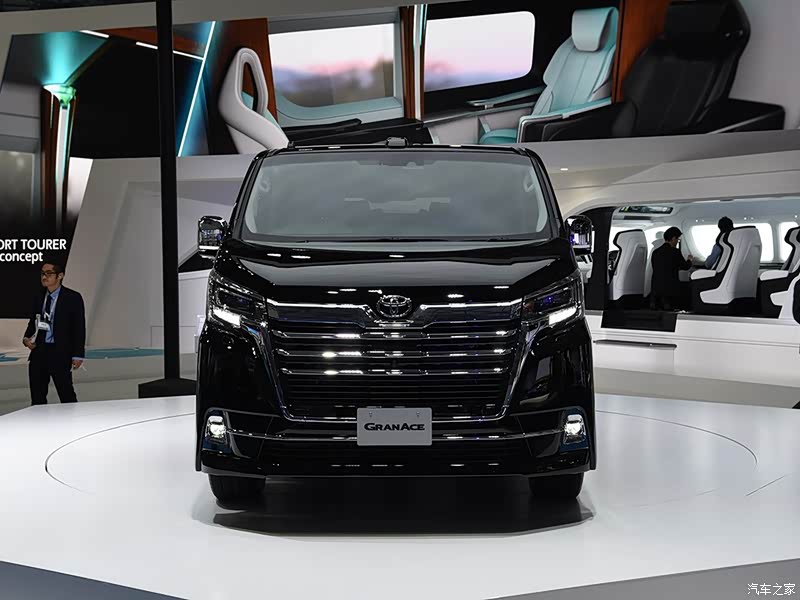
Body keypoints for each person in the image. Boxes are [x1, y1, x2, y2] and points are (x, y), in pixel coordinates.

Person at [22, 260, 86, 405]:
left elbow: (79, 327)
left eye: (49, 273)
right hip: (39, 352)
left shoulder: (72, 298)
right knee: (37, 397)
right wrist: (26, 338)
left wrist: (78, 354)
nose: (44, 277)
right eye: (42, 273)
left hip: (61, 352)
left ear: (60, 275)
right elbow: (33, 321)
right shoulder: (39, 296)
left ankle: (73, 419)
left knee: (66, 394)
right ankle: (39, 420)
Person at [650, 227, 693, 310]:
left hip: (656, 291)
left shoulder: (655, 252)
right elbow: (685, 266)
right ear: (673, 238)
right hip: (670, 291)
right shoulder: (675, 252)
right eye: (678, 239)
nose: (677, 242)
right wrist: (689, 260)